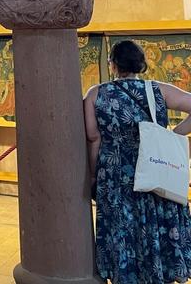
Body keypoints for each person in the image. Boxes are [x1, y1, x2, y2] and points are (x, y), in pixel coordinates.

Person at [84, 40, 191, 283]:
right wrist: (173, 134)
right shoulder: (158, 90)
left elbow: (93, 138)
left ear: (112, 64)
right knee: (152, 225)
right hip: (156, 170)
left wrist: (92, 176)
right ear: (140, 64)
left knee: (123, 230)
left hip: (115, 177)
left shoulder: (95, 94)